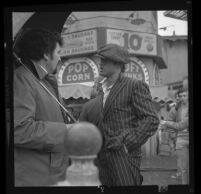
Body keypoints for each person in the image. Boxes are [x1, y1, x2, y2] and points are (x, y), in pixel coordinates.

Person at [86, 44, 160, 186]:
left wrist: (127, 144)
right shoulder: (101, 89)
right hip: (102, 159)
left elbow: (151, 119)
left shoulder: (134, 85)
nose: (100, 64)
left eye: (105, 60)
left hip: (124, 158)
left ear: (118, 63)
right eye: (100, 60)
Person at [14, 28, 74, 186]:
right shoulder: (21, 79)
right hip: (36, 178)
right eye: (58, 52)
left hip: (54, 173)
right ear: (46, 54)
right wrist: (67, 130)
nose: (60, 57)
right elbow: (19, 130)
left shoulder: (45, 80)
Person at [160, 88, 189, 184]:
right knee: (184, 167)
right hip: (181, 139)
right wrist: (173, 138)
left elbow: (176, 125)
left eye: (184, 96)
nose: (182, 98)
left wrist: (166, 123)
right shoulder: (176, 109)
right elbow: (172, 124)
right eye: (180, 96)